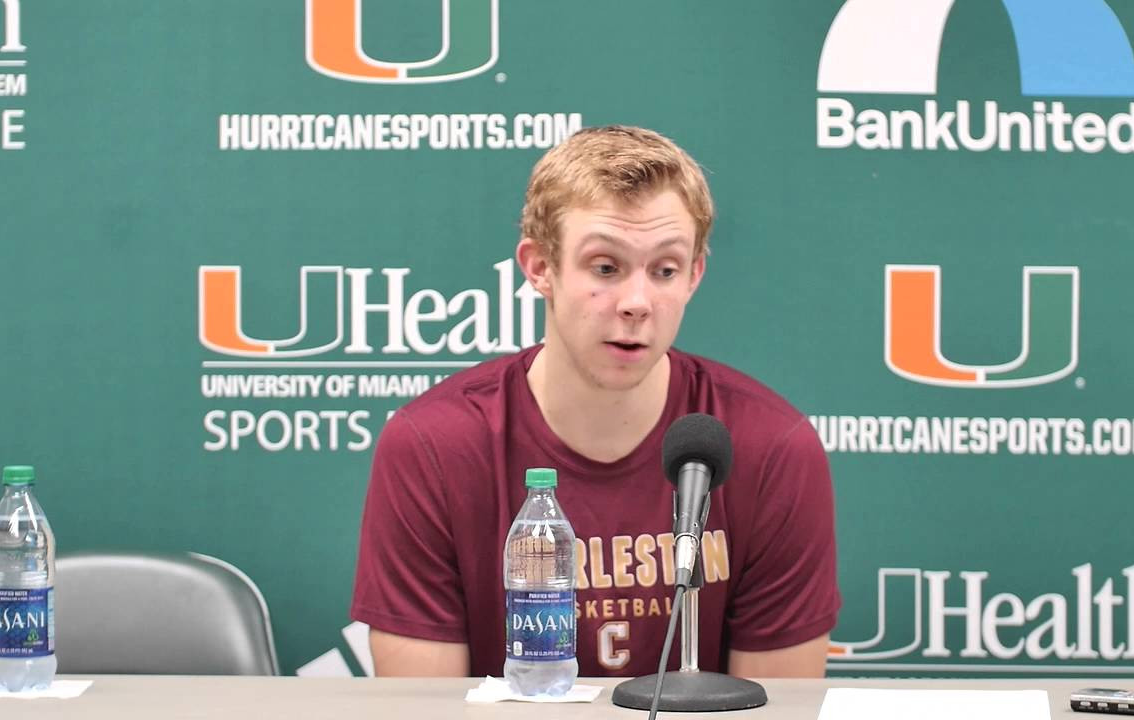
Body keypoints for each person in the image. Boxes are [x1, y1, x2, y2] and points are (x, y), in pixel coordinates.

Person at [351, 125, 839, 678]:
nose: (636, 302)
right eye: (605, 267)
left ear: (695, 275)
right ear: (540, 268)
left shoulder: (770, 447)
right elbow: (424, 714)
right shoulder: (435, 446)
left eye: (665, 270)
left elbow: (775, 711)